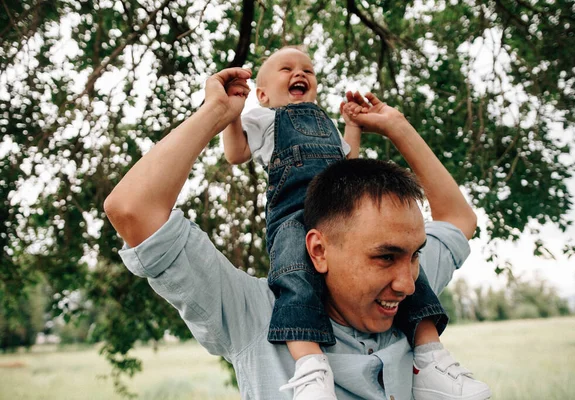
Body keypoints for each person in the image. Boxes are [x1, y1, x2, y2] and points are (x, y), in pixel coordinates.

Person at [104, 64, 491, 399]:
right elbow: (133, 210)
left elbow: (459, 220)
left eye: (416, 254)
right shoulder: (254, 316)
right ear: (319, 250)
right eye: (385, 257)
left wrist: (397, 126)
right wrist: (216, 112)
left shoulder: (405, 292)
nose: (407, 283)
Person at [218, 46, 490, 400]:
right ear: (263, 94)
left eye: (308, 70)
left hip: (339, 207)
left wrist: (354, 125)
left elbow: (350, 167)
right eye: (287, 69)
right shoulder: (266, 120)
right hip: (294, 216)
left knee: (414, 276)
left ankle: (430, 357)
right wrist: (229, 113)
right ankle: (311, 367)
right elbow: (235, 153)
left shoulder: (326, 123)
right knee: (294, 280)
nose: (300, 73)